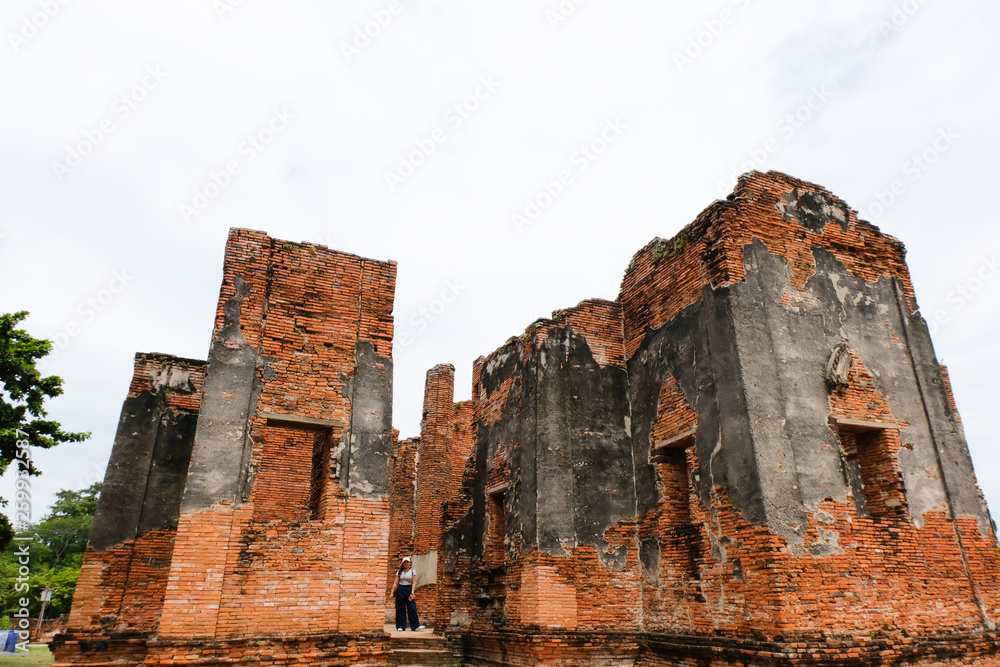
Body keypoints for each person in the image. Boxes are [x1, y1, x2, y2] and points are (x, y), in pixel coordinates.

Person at [390, 556, 424, 631]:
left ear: (409, 563)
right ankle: (401, 626)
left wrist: (412, 592)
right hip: (401, 589)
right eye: (404, 562)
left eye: (407, 562)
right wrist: (392, 592)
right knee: (400, 608)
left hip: (409, 589)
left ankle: (415, 625)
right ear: (402, 563)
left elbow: (414, 582)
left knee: (412, 607)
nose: (406, 564)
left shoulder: (412, 571)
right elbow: (395, 583)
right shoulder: (399, 572)